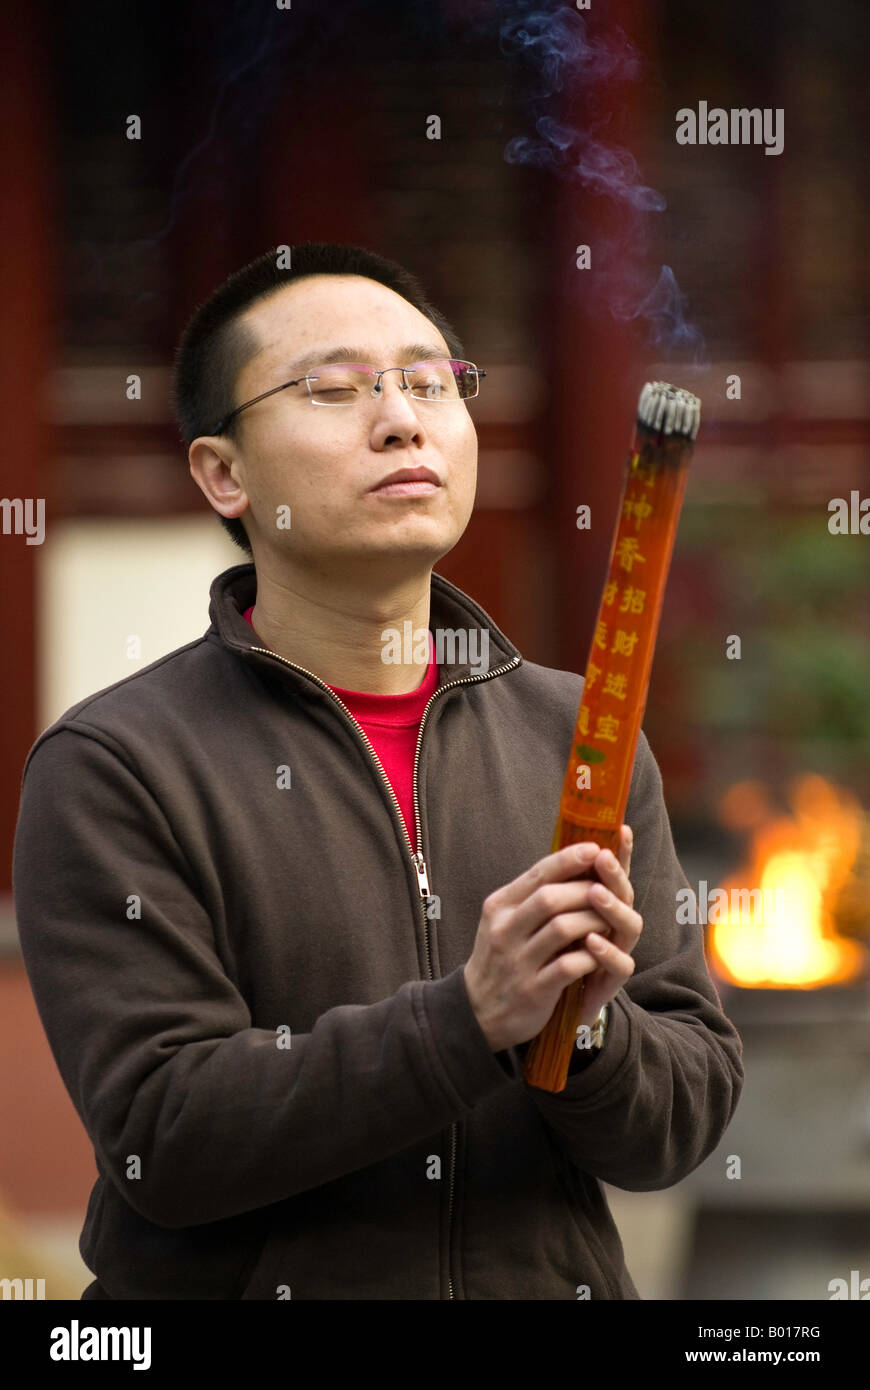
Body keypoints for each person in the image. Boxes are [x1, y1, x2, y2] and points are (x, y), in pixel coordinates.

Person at [13, 241, 743, 1300]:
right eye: (335, 388)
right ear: (225, 473)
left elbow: (679, 1126)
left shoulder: (579, 733)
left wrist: (581, 1032)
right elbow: (160, 1139)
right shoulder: (120, 764)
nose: (402, 419)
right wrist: (471, 1015)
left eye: (430, 382)